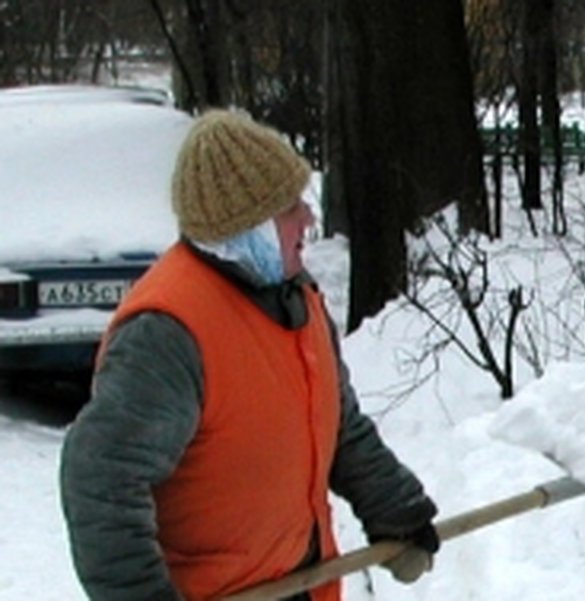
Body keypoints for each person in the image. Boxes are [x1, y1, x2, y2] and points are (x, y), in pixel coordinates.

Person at [60, 110, 439, 601]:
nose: (308, 218)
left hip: (304, 586)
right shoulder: (169, 334)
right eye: (289, 208)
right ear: (244, 227)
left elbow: (334, 424)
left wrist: (396, 510)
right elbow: (100, 480)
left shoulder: (296, 299)